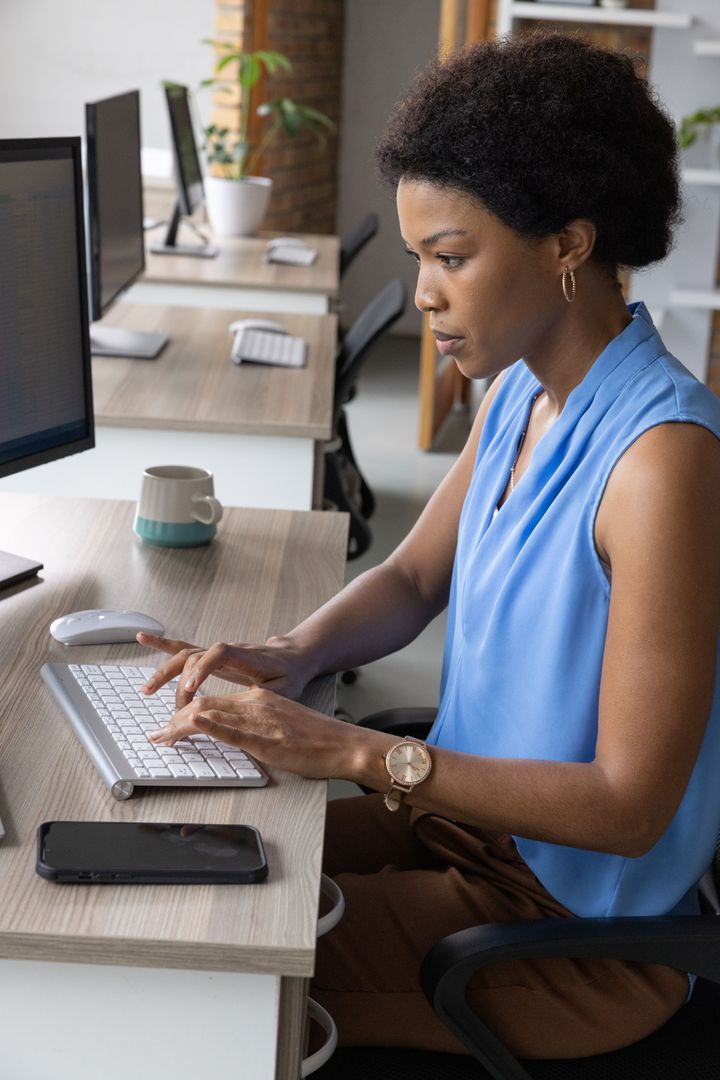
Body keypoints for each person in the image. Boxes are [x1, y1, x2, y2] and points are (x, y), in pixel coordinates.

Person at [138, 32, 720, 1060]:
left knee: (195, 961)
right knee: (177, 854)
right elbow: (413, 576)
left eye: (451, 257)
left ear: (569, 245)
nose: (423, 294)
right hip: (459, 830)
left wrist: (358, 752)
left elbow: (631, 807)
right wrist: (294, 650)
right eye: (419, 259)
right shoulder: (521, 392)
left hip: (567, 934)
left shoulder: (661, 461)